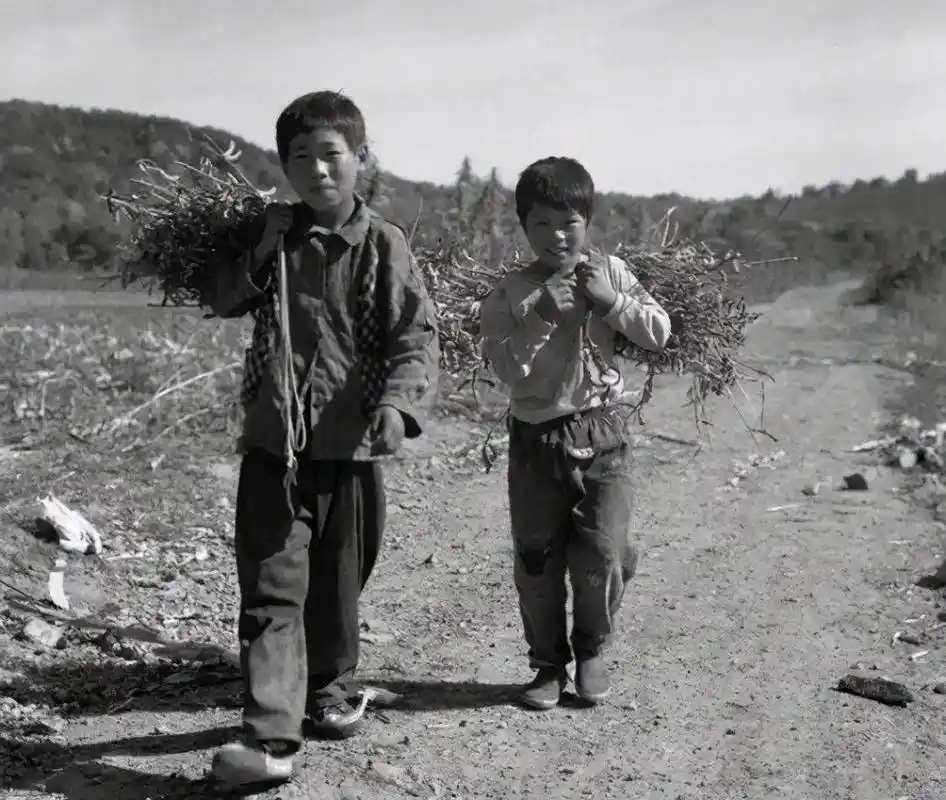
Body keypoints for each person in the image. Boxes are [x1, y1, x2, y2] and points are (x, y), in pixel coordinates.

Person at [207, 90, 439, 788]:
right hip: (273, 448)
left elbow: (415, 336)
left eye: (331, 154)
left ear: (360, 160)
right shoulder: (274, 240)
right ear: (285, 167)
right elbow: (220, 296)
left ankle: (331, 689)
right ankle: (269, 735)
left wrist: (399, 408)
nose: (317, 169)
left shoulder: (383, 246)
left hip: (351, 448)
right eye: (299, 157)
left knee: (339, 587)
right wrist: (261, 246)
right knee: (272, 589)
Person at [478, 156, 671, 711]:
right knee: (538, 559)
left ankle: (592, 648)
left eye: (569, 223)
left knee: (604, 553)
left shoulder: (609, 273)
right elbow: (504, 370)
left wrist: (611, 303)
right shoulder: (511, 290)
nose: (556, 236)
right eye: (541, 223)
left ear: (588, 222)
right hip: (537, 439)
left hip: (602, 433)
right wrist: (540, 316)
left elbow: (658, 332)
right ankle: (546, 665)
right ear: (524, 227)